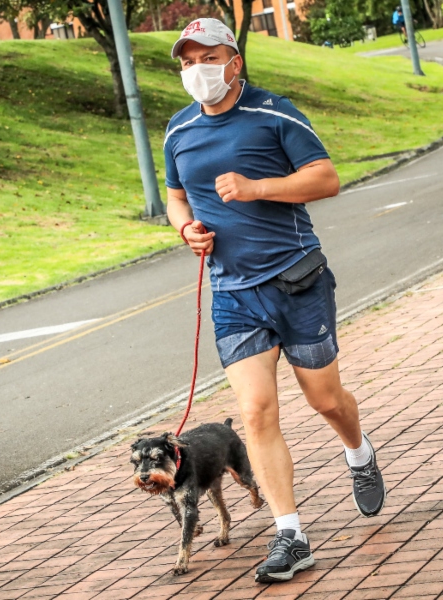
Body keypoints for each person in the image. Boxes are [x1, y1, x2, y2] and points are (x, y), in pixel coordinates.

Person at [164, 18, 387, 584]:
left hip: (296, 281)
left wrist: (257, 187)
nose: (196, 71)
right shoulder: (178, 129)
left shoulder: (274, 113)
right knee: (256, 411)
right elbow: (175, 196)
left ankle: (358, 451)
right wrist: (186, 229)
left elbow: (326, 178)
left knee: (326, 399)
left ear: (234, 62)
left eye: (206, 58)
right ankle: (291, 534)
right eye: (187, 62)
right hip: (232, 294)